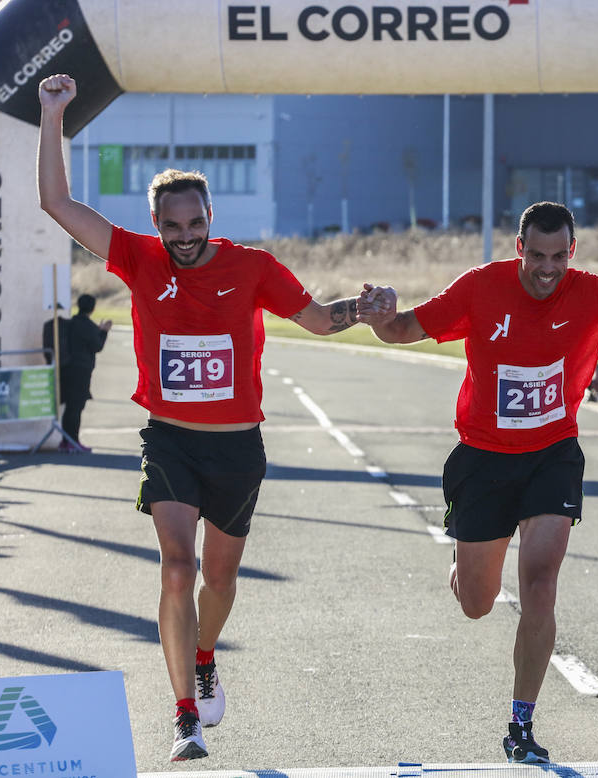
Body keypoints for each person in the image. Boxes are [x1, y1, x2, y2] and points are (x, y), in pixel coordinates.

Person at [37, 74, 371, 762]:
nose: (183, 237)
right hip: (170, 442)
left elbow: (314, 319)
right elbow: (55, 201)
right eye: (171, 226)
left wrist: (364, 309)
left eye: (194, 223)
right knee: (177, 567)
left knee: (220, 579)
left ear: (210, 216)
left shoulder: (253, 268)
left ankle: (207, 653)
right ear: (155, 224)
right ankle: (184, 714)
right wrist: (53, 115)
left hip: (237, 449)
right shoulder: (136, 256)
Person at [358, 202, 598, 764]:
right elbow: (404, 329)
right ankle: (467, 565)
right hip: (483, 459)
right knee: (477, 604)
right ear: (519, 249)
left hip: (552, 455)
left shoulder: (594, 295)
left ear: (572, 251)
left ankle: (521, 722)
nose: (548, 268)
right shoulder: (481, 288)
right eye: (538, 256)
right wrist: (381, 313)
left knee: (540, 580)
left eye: (559, 256)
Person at [57, 294, 112, 452]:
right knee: (76, 408)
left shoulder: (71, 323)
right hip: (81, 371)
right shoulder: (88, 326)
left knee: (69, 407)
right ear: (93, 308)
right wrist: (104, 332)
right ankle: (73, 441)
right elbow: (97, 346)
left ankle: (65, 441)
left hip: (66, 368)